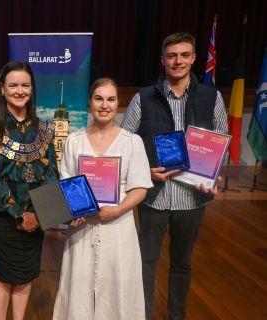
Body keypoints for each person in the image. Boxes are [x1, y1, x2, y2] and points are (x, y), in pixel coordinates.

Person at [121, 32, 228, 320]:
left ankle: (176, 316)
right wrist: (144, 173)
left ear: (193, 58)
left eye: (184, 55)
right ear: (162, 60)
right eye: (172, 55)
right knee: (146, 262)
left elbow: (221, 142)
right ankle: (142, 315)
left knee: (182, 264)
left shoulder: (211, 97)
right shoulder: (143, 97)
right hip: (153, 196)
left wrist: (215, 174)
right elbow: (125, 142)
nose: (177, 61)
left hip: (193, 198)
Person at [52, 78, 153, 320]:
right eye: (99, 99)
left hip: (118, 226)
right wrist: (76, 212)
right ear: (89, 103)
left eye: (111, 99)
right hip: (83, 227)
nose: (104, 105)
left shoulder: (132, 142)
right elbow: (67, 184)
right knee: (78, 285)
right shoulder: (74, 141)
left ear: (118, 103)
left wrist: (117, 210)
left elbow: (140, 187)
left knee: (118, 287)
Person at [0, 61, 59, 320]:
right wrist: (19, 214)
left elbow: (52, 174)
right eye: (13, 85)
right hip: (3, 217)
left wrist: (37, 214)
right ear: (2, 89)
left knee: (25, 277)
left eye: (25, 85)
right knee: (3, 277)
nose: (19, 90)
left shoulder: (45, 129)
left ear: (32, 89)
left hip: (37, 215)